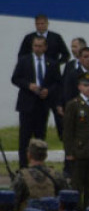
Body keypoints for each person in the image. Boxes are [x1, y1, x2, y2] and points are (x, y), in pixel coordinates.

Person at [12, 35, 61, 169]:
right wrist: (29, 85)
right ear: (32, 47)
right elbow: (15, 78)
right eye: (35, 46)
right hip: (27, 104)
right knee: (24, 138)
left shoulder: (52, 63)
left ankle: (39, 166)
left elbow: (57, 82)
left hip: (43, 105)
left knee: (40, 136)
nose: (38, 48)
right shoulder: (24, 61)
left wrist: (48, 91)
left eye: (40, 46)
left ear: (45, 47)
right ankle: (23, 168)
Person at [61, 72, 89, 210]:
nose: (88, 88)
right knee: (77, 185)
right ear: (79, 87)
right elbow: (68, 131)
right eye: (85, 85)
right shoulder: (73, 105)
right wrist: (69, 151)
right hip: (79, 151)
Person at [12, 139, 67, 211]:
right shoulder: (56, 176)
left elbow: (12, 203)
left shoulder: (21, 177)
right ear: (45, 156)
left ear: (29, 155)